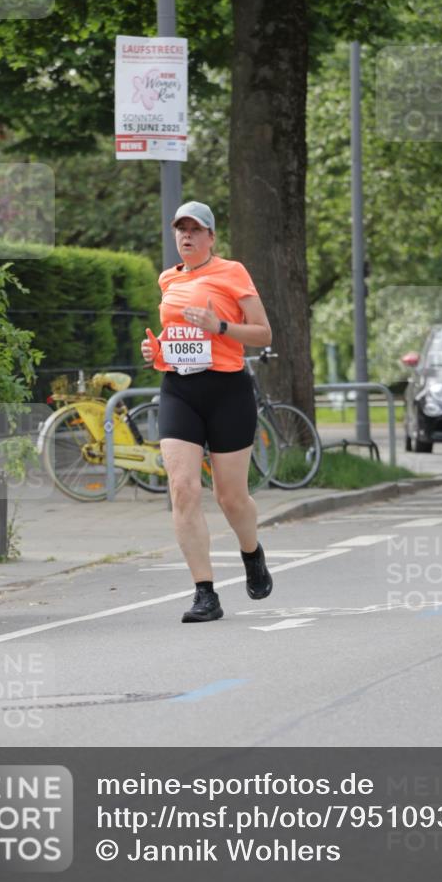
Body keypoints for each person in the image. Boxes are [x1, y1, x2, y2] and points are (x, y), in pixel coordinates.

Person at [141, 201, 274, 623]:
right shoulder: (167, 279)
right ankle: (205, 594)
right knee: (182, 487)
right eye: (180, 229)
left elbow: (262, 332)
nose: (187, 236)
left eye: (196, 230)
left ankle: (252, 553)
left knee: (230, 497)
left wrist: (219, 327)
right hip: (179, 388)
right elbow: (174, 333)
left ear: (211, 237)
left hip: (227, 390)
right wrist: (156, 349)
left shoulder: (232, 273)